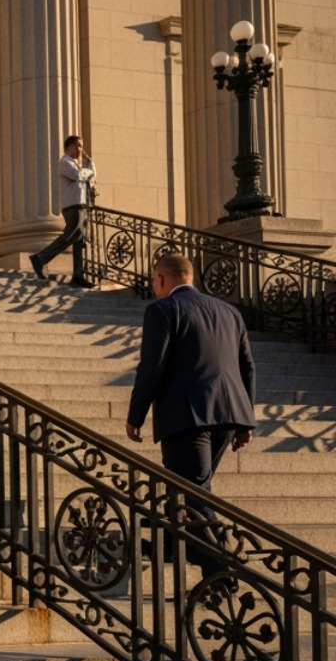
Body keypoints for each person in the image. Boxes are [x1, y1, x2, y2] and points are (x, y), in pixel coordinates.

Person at [125, 253, 256, 572]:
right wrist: (245, 420)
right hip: (228, 414)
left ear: (160, 279)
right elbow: (247, 366)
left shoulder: (162, 309)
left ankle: (219, 565)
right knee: (188, 485)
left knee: (194, 491)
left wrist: (135, 415)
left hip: (187, 415)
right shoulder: (228, 311)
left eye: (154, 280)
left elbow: (152, 367)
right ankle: (172, 545)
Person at [29, 134, 98, 287]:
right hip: (72, 206)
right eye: (78, 146)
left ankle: (78, 274)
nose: (80, 149)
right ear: (70, 147)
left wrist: (91, 172)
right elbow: (78, 175)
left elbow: (86, 177)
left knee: (78, 239)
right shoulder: (65, 162)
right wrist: (89, 171)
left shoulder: (76, 164)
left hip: (79, 205)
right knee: (70, 236)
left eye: (81, 146)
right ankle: (40, 258)